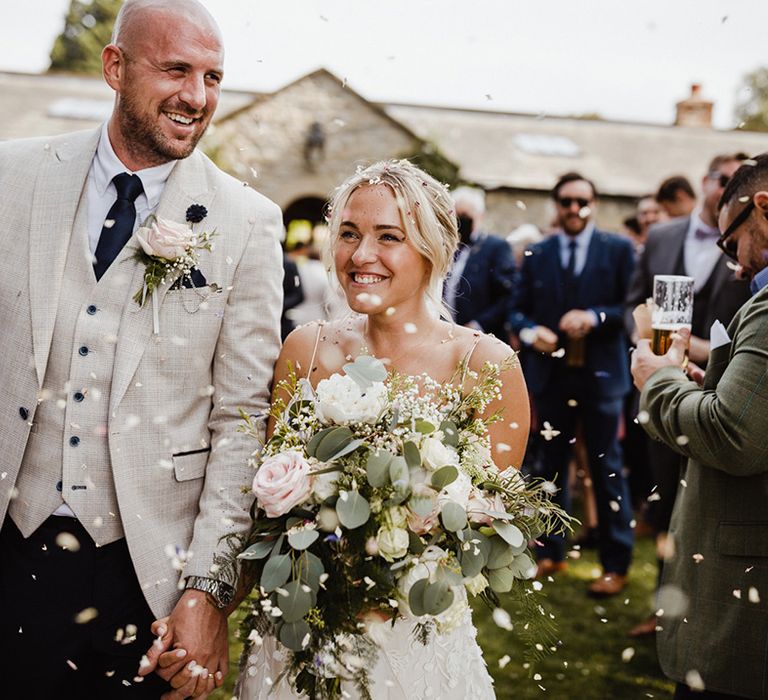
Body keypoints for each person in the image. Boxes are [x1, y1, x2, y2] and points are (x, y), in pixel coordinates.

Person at [0, 1, 283, 698]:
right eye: (177, 69)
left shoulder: (248, 222)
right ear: (115, 67)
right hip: (11, 541)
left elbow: (242, 422)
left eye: (214, 76)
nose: (197, 96)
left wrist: (208, 592)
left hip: (146, 571)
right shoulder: (12, 177)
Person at [236, 159, 529, 698]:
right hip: (298, 631)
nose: (360, 255)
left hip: (415, 638)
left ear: (434, 249)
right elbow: (261, 499)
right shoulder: (306, 349)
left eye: (388, 237)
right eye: (348, 233)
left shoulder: (484, 365)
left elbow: (489, 524)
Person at [631, 151, 768, 700]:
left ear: (763, 206)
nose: (735, 265)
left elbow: (735, 437)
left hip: (744, 590)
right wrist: (694, 380)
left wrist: (659, 382)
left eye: (731, 241)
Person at [509, 172, 636, 596]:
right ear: (556, 205)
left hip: (602, 375)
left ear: (594, 204)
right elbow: (517, 311)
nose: (574, 209)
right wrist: (531, 334)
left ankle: (615, 563)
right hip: (552, 375)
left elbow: (630, 308)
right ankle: (550, 552)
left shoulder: (617, 249)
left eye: (582, 201)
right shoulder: (538, 252)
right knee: (549, 467)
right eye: (566, 201)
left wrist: (594, 317)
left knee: (607, 467)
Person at [444, 186, 517, 340]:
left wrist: (478, 325)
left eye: (464, 215)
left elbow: (508, 295)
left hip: (482, 337)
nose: (459, 222)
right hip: (446, 334)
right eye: (454, 216)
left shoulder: (495, 247)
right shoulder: (447, 247)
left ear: (480, 216)